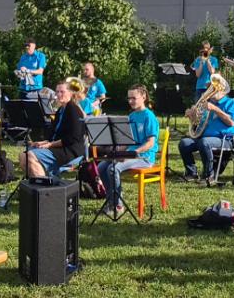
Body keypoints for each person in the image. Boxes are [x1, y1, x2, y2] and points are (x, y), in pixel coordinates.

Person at [99, 84, 160, 218]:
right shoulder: (131, 116)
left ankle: (118, 205)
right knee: (102, 166)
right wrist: (116, 151)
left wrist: (133, 153)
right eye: (129, 98)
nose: (131, 101)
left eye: (134, 98)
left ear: (143, 97)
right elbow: (128, 141)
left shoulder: (149, 117)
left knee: (113, 168)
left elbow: (150, 143)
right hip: (131, 154)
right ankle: (111, 199)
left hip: (144, 157)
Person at [179, 74, 234, 185]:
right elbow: (199, 124)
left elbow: (231, 122)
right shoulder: (209, 105)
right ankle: (192, 173)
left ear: (222, 89)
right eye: (209, 88)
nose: (210, 91)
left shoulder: (232, 104)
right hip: (205, 138)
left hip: (224, 139)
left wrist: (215, 109)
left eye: (213, 88)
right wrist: (192, 116)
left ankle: (209, 175)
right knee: (184, 143)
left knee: (204, 142)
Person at [22, 79, 88, 179]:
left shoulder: (74, 110)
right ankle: (42, 182)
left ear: (70, 93)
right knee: (23, 156)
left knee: (30, 156)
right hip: (58, 147)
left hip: (70, 150)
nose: (58, 94)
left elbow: (72, 138)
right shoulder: (60, 110)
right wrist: (43, 142)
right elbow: (54, 135)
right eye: (57, 92)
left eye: (62, 92)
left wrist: (50, 145)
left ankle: (44, 185)